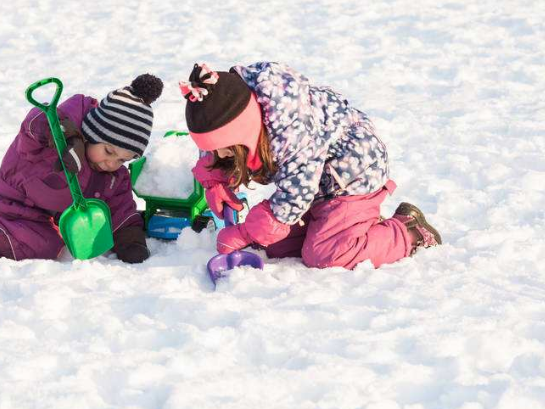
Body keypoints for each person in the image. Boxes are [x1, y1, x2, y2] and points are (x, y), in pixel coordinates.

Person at [181, 62, 441, 269]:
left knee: (326, 254)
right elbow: (217, 146)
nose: (221, 154)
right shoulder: (237, 104)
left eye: (226, 148)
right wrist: (215, 181)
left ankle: (409, 230)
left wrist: (246, 233)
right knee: (275, 245)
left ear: (245, 132)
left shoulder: (292, 133)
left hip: (354, 175)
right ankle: (347, 227)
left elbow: (292, 199)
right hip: (317, 181)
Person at [0, 74, 164, 263]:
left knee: (51, 240)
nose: (112, 163)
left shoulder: (114, 177)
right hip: (14, 208)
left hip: (53, 221)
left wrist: (130, 241)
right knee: (42, 245)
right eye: (108, 151)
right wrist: (65, 136)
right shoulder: (50, 143)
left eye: (122, 160)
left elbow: (121, 210)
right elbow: (34, 124)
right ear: (92, 132)